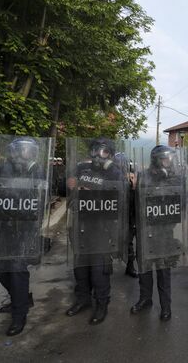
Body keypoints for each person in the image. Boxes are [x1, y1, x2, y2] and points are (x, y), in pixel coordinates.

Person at [0, 136, 47, 336]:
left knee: (16, 267)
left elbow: (39, 200)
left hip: (25, 227)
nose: (23, 154)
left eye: (27, 151)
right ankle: (20, 298)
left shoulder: (37, 171)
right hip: (5, 225)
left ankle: (19, 314)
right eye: (19, 150)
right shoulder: (5, 168)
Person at [66, 138, 124, 325]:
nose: (99, 155)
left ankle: (102, 303)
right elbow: (63, 189)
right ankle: (82, 299)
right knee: (80, 269)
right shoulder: (81, 169)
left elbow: (121, 198)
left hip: (101, 228)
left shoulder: (115, 173)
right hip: (80, 226)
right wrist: (70, 186)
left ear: (111, 155)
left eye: (104, 152)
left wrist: (92, 190)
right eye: (96, 151)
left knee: (99, 271)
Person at [131, 145, 187, 321]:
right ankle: (145, 299)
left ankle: (166, 306)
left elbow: (182, 205)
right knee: (144, 269)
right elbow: (136, 203)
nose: (168, 162)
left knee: (163, 270)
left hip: (164, 232)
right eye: (164, 159)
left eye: (169, 159)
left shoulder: (175, 178)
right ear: (156, 160)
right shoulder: (144, 176)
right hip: (146, 230)